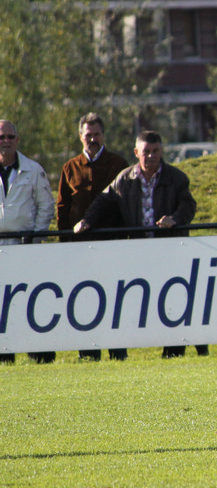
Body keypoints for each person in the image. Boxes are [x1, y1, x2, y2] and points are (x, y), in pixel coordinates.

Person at [76, 130, 206, 359]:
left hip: (169, 252)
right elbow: (103, 201)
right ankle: (120, 354)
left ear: (161, 151)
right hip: (137, 254)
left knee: (173, 303)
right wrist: (87, 220)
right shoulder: (124, 179)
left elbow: (188, 205)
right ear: (136, 152)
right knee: (131, 303)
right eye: (146, 152)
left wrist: (174, 219)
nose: (151, 156)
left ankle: (174, 353)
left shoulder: (176, 178)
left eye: (155, 151)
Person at [58, 113, 129, 361]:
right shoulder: (70, 167)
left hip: (111, 246)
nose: (93, 139)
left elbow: (125, 204)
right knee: (84, 299)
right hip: (79, 248)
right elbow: (63, 208)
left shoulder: (119, 164)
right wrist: (65, 243)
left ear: (103, 135)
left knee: (114, 298)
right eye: (88, 135)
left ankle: (117, 351)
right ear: (80, 137)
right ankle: (88, 352)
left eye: (97, 134)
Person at [0, 119, 55, 364]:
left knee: (31, 302)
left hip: (25, 246)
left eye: (10, 136)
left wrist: (35, 238)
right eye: (1, 137)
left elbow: (46, 206)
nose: (6, 141)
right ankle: (4, 356)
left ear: (17, 140)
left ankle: (40, 355)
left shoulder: (33, 170)